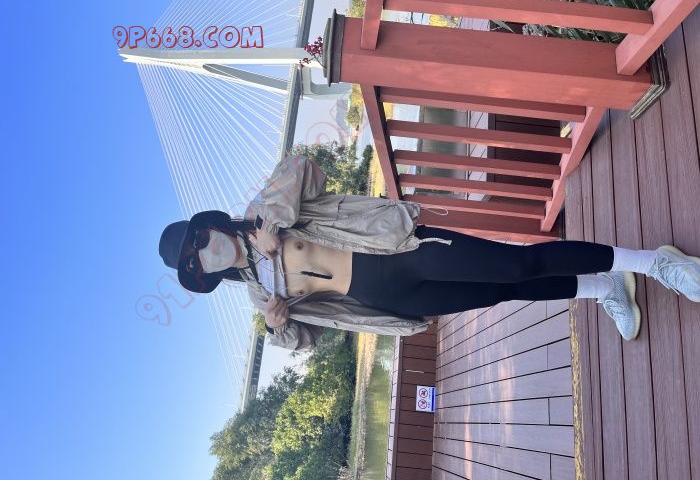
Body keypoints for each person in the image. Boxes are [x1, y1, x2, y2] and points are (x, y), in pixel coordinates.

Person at [158, 154, 700, 351]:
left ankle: (654, 263)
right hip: (390, 299)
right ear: (205, 276)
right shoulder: (258, 296)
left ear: (209, 226)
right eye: (195, 262)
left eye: (198, 240)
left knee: (518, 262)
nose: (206, 253)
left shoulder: (260, 212)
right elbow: (310, 337)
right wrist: (280, 329)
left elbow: (305, 167)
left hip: (400, 251)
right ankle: (603, 288)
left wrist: (273, 223)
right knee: (504, 291)